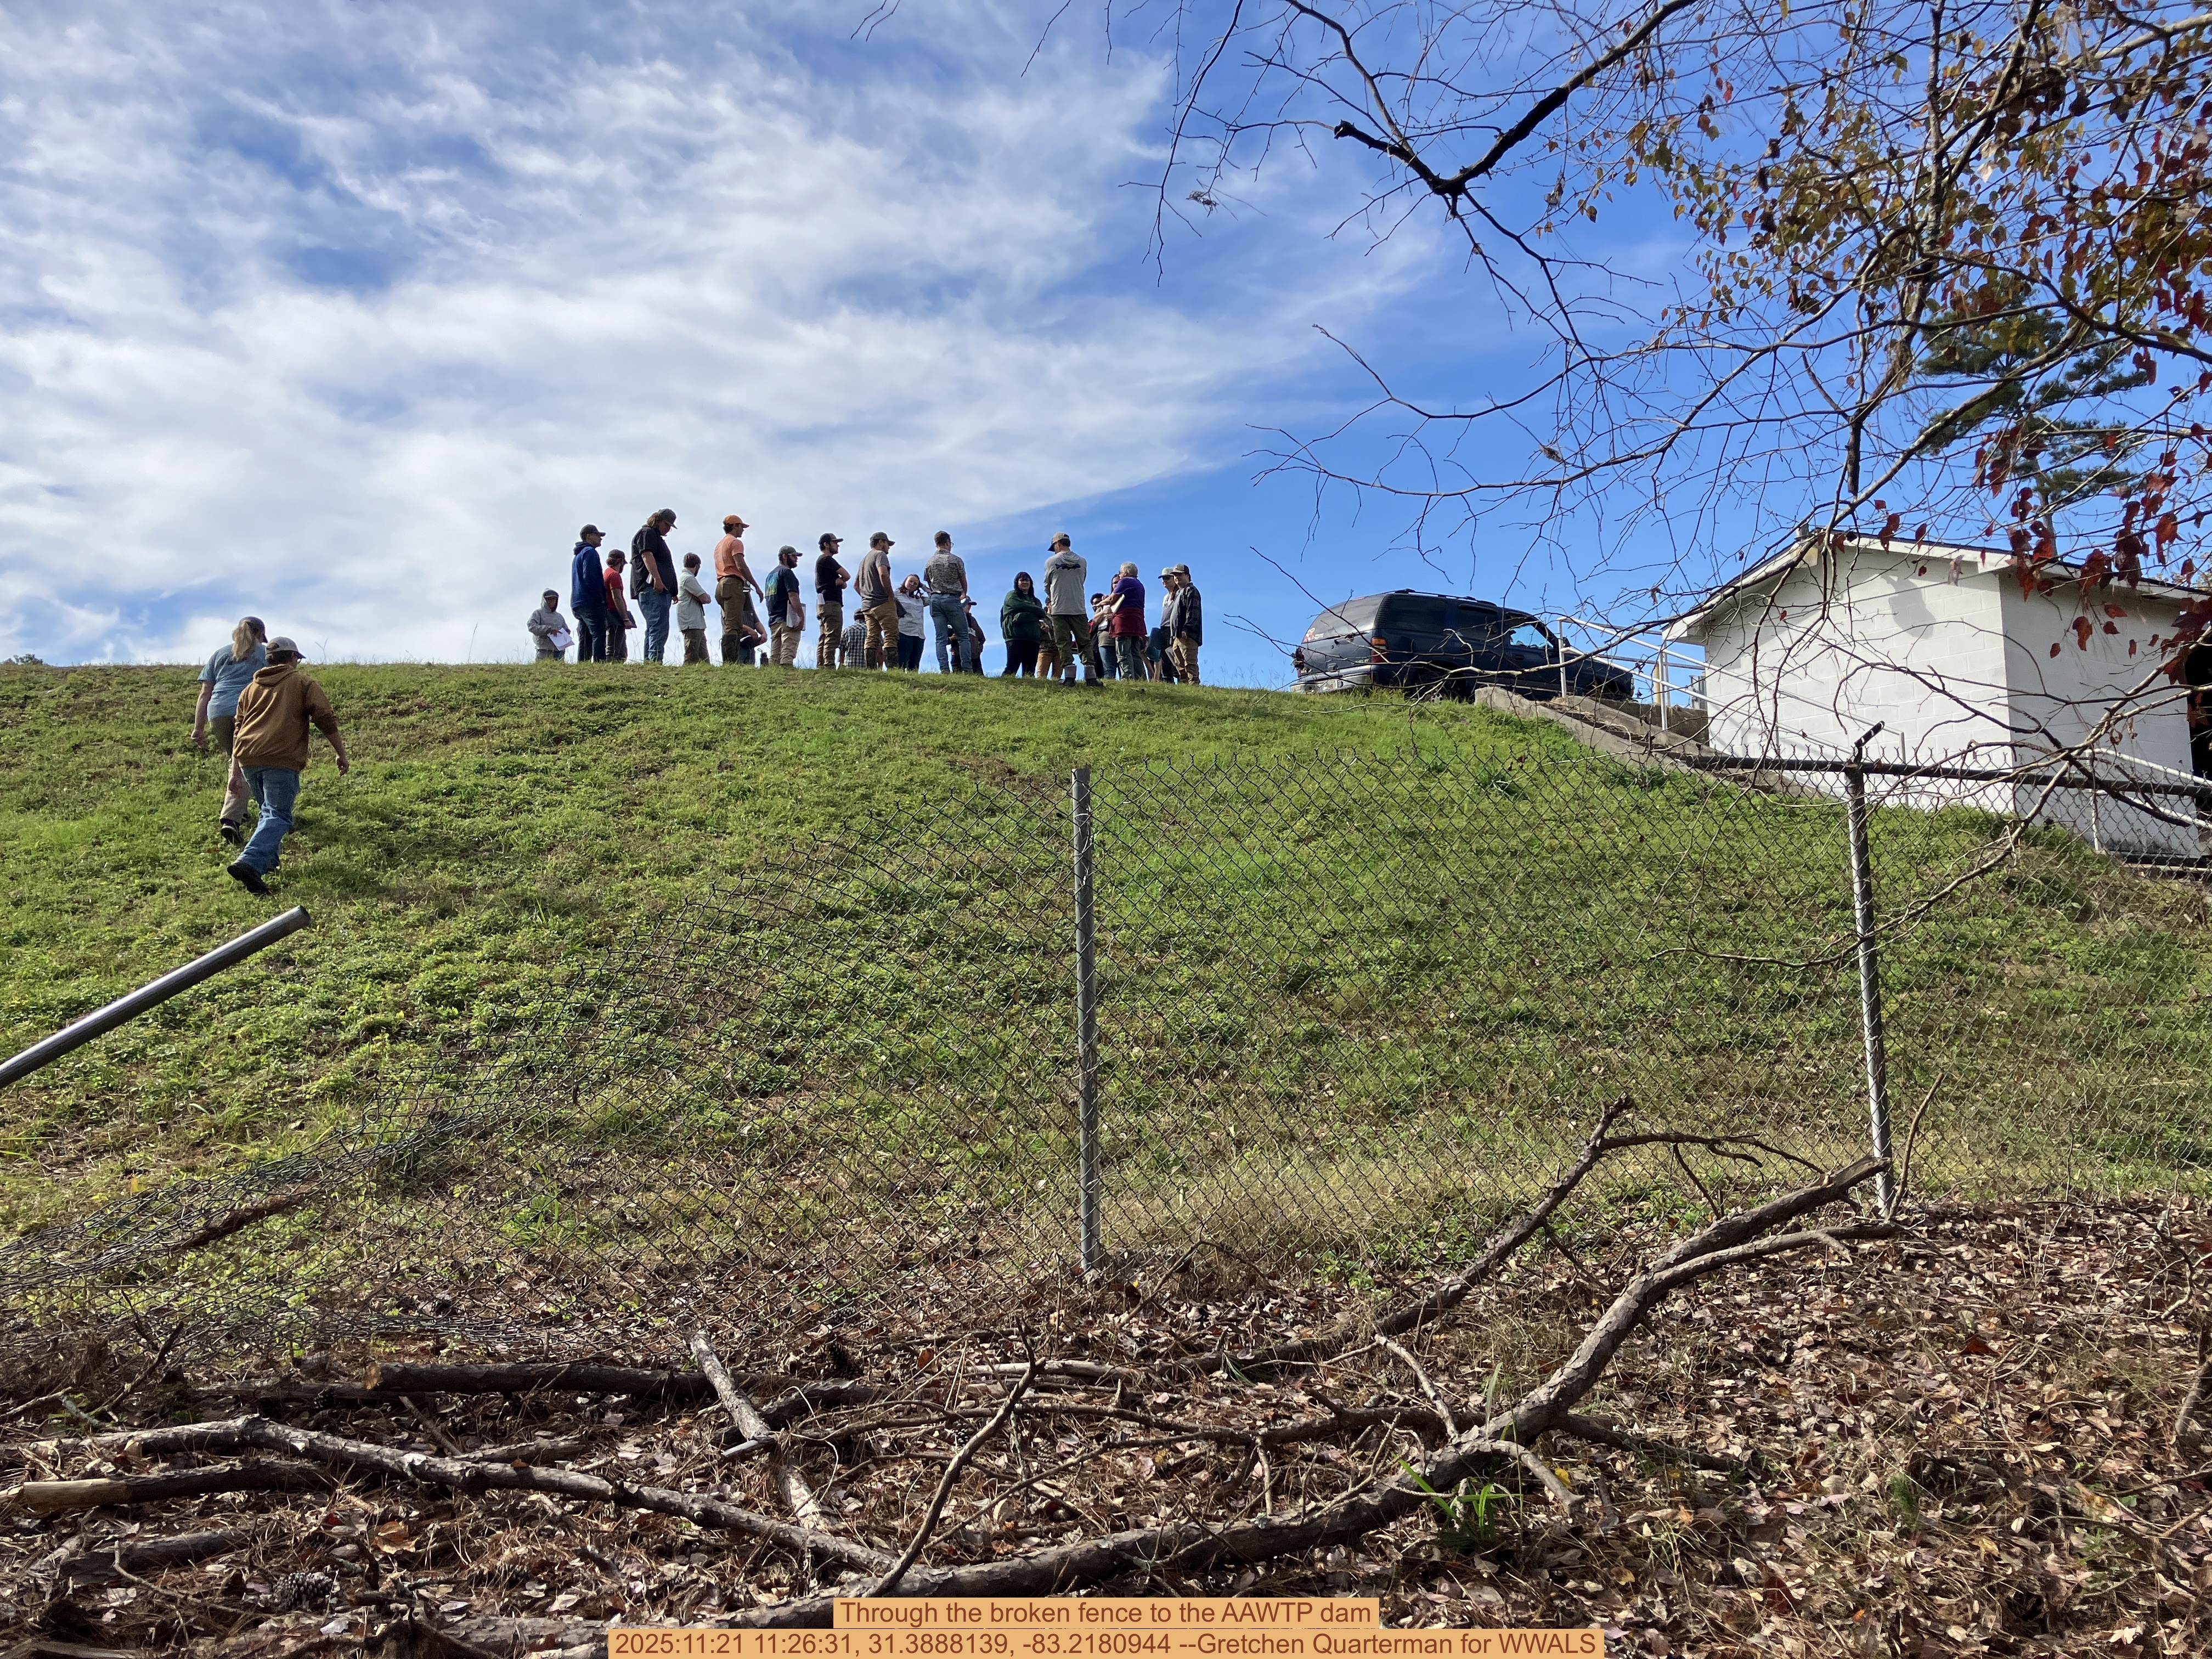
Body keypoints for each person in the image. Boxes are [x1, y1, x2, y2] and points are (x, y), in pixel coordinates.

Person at [225, 635, 347, 896]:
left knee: (267, 813)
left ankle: (264, 868)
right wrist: (341, 753)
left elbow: (238, 729)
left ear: (269, 659)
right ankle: (250, 862)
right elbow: (325, 718)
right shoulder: (302, 683)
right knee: (279, 815)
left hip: (248, 758)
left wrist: (235, 772)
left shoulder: (250, 689)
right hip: (280, 758)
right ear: (293, 658)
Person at [191, 615, 267, 844]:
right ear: (260, 634)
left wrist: (199, 728)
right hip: (248, 710)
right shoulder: (265, 653)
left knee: (237, 760)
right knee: (246, 763)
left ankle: (241, 811)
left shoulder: (220, 654)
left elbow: (205, 693)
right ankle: (232, 819)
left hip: (218, 712)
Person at [1041, 532, 1102, 687]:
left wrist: (1054, 595)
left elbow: (1047, 586)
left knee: (1063, 642)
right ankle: (1091, 677)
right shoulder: (1083, 561)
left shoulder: (1051, 562)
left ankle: (1069, 677)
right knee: (1084, 642)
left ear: (1057, 544)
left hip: (1059, 608)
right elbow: (1082, 580)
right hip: (1078, 607)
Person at [630, 509, 680, 663]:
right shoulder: (648, 533)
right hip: (652, 588)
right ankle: (654, 660)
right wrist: (657, 579)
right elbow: (647, 555)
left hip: (660, 590)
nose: (669, 529)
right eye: (667, 524)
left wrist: (672, 590)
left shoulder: (655, 536)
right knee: (659, 626)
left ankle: (651, 661)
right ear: (658, 520)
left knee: (654, 626)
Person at [714, 515, 764, 665]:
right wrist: (756, 585)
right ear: (735, 526)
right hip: (732, 584)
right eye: (741, 526)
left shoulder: (719, 545)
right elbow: (741, 565)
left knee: (731, 623)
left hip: (721, 585)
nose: (743, 530)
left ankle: (730, 662)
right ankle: (730, 663)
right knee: (733, 626)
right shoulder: (735, 543)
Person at [919, 531, 967, 673]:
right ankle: (967, 669)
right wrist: (963, 593)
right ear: (947, 543)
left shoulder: (929, 562)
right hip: (952, 599)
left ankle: (944, 670)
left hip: (935, 600)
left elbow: (928, 581)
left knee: (940, 637)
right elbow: (963, 580)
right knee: (963, 636)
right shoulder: (956, 560)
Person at [854, 532, 899, 670]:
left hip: (867, 607)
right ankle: (892, 669)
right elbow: (883, 574)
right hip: (883, 603)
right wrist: (890, 596)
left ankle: (871, 669)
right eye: (887, 544)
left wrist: (866, 597)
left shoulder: (864, 561)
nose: (889, 548)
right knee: (891, 635)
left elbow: (856, 585)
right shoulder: (880, 555)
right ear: (881, 543)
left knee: (872, 637)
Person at [571, 526, 610, 662]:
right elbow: (590, 577)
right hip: (591, 601)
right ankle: (600, 662)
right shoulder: (590, 552)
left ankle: (583, 663)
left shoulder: (578, 555)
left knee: (585, 636)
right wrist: (600, 597)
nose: (600, 538)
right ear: (588, 536)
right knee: (599, 633)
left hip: (578, 602)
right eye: (597, 535)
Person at [1107, 562, 1148, 682]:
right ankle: (1141, 679)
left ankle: (1128, 679)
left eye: (1120, 573)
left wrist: (1101, 603)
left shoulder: (1125, 581)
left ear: (1125, 573)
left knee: (1123, 653)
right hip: (1137, 623)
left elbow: (1112, 598)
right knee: (1135, 653)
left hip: (1124, 622)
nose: (1119, 575)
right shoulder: (1140, 585)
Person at [814, 533, 850, 668]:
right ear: (826, 545)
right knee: (833, 634)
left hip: (822, 603)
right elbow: (847, 575)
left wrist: (842, 583)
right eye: (834, 543)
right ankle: (829, 664)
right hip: (831, 602)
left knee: (824, 634)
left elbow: (843, 582)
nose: (838, 545)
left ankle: (821, 664)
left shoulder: (822, 562)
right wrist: (843, 581)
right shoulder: (827, 560)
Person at [765, 546, 806, 666]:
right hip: (787, 619)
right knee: (788, 654)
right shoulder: (787, 573)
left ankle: (774, 679)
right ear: (784, 556)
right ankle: (787, 677)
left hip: (774, 620)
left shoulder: (770, 575)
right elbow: (793, 595)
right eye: (794, 556)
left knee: (775, 657)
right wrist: (801, 616)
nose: (796, 559)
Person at [999, 572, 1045, 676]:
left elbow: (1042, 613)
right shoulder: (1012, 595)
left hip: (1033, 638)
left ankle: (1029, 690)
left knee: (1030, 672)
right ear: (1017, 583)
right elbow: (1018, 605)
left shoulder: (1036, 600)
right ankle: (1006, 688)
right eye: (1022, 580)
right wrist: (1036, 613)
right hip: (1016, 636)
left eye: (1027, 580)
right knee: (1012, 667)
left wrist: (1022, 615)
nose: (1025, 582)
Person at [1166, 561, 1203, 684]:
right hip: (1177, 636)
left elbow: (1193, 613)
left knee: (1190, 665)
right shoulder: (1178, 593)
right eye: (1175, 575)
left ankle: (1194, 688)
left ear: (1188, 576)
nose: (1177, 578)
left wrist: (1186, 629)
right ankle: (1186, 689)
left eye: (1180, 575)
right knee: (1180, 667)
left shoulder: (1191, 591)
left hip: (1188, 635)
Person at [677, 554, 713, 664]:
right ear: (697, 566)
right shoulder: (688, 579)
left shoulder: (686, 578)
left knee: (704, 660)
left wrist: (699, 597)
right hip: (691, 622)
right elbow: (706, 598)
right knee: (691, 657)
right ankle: (686, 678)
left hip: (696, 623)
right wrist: (701, 597)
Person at [604, 550, 635, 662]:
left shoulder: (607, 573)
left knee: (621, 651)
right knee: (614, 651)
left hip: (611, 612)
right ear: (620, 561)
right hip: (615, 613)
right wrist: (625, 618)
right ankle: (612, 667)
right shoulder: (614, 575)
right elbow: (617, 597)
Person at [1150, 565, 1180, 681]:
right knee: (1164, 657)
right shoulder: (1165, 597)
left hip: (1173, 629)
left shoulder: (1179, 595)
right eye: (1163, 578)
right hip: (1163, 629)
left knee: (1175, 656)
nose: (1164, 581)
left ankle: (1180, 679)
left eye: (1167, 578)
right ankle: (1168, 680)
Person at [894, 574, 928, 671]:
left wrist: (923, 587)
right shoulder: (896, 595)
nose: (912, 584)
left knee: (914, 666)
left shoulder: (919, 600)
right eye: (910, 581)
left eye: (916, 583)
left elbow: (934, 597)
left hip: (919, 634)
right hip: (903, 632)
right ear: (905, 581)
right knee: (901, 662)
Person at [528, 590, 571, 661]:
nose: (552, 601)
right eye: (549, 599)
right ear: (545, 600)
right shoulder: (538, 613)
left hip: (559, 651)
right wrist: (548, 630)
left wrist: (561, 634)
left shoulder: (559, 617)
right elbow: (531, 626)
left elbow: (567, 630)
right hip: (544, 650)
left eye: (554, 599)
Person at [1088, 592, 1119, 680]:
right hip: (1095, 651)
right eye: (1095, 604)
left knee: (1110, 670)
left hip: (1107, 645)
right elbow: (1092, 625)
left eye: (1100, 602)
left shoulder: (1111, 614)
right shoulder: (1092, 621)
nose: (1097, 605)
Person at [963, 597, 988, 673]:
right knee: (959, 678)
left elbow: (982, 638)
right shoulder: (953, 619)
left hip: (975, 657)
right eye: (968, 604)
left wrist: (978, 650)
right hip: (959, 656)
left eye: (970, 605)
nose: (969, 606)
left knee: (980, 679)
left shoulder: (973, 620)